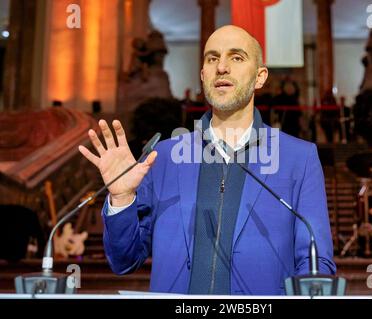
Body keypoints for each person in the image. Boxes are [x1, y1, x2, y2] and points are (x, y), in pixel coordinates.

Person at [79, 25, 336, 295]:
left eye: (237, 57)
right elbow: (123, 261)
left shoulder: (299, 158)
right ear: (203, 75)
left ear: (260, 77)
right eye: (212, 58)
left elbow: (315, 263)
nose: (221, 67)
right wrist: (121, 200)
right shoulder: (163, 158)